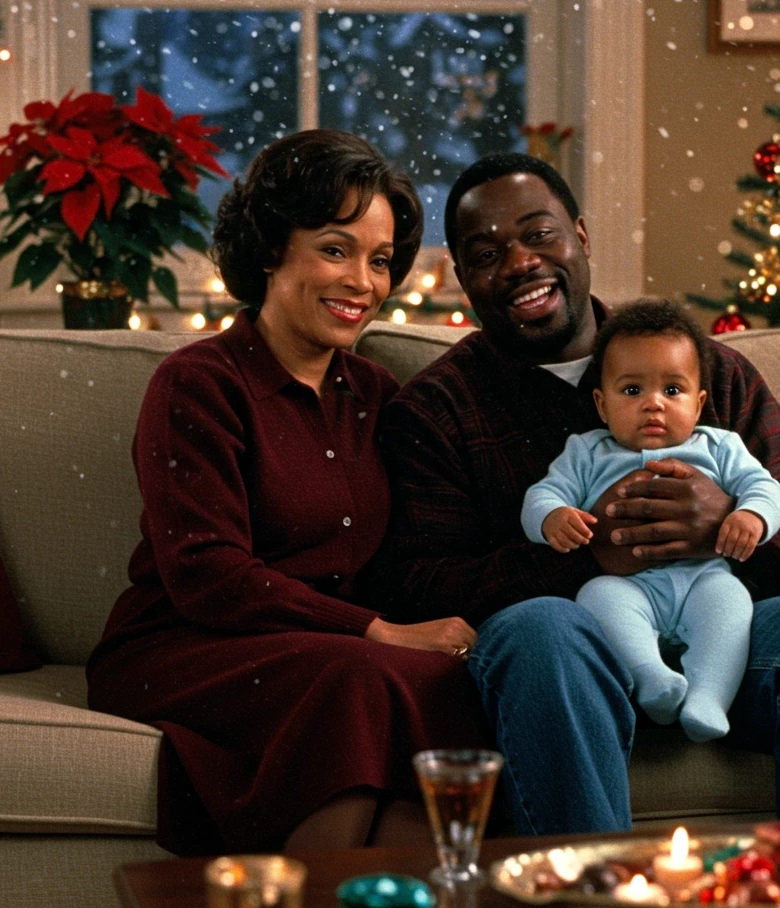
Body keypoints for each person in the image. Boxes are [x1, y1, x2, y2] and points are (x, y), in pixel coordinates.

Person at [370, 152, 780, 836]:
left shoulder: (704, 366)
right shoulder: (438, 410)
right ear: (463, 280)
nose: (519, 263)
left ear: (581, 236)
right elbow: (415, 588)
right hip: (566, 667)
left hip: (731, 642)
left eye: (539, 235)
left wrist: (730, 522)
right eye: (487, 252)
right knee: (541, 628)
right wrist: (589, 555)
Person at [87, 130, 490, 857]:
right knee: (361, 677)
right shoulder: (198, 383)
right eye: (335, 250)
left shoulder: (377, 395)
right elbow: (207, 574)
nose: (363, 283)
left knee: (446, 682)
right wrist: (374, 630)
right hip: (183, 647)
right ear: (271, 246)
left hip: (325, 658)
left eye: (380, 260)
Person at [522, 298, 780, 743]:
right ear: (602, 406)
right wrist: (553, 518)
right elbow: (542, 494)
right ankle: (652, 680)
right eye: (632, 391)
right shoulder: (587, 451)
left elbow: (766, 488)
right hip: (629, 587)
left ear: (699, 403)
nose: (653, 406)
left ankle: (708, 697)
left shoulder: (719, 446)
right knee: (596, 596)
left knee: (731, 601)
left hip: (702, 578)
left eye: (672, 391)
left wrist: (751, 516)